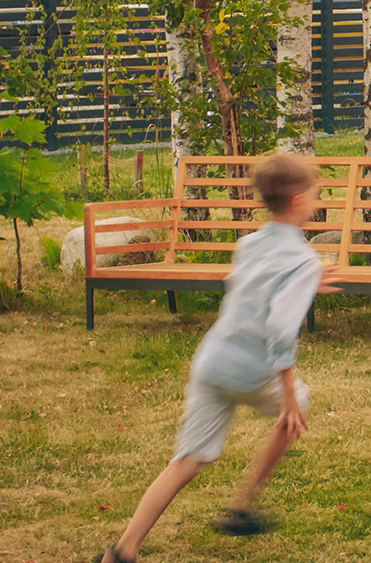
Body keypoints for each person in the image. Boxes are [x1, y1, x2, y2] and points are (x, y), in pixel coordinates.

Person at [101, 154, 345, 563]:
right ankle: (243, 505)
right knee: (296, 408)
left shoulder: (249, 244)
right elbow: (282, 329)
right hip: (253, 371)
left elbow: (251, 285)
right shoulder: (302, 260)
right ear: (300, 200)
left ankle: (122, 551)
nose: (318, 202)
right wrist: (286, 392)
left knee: (186, 460)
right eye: (317, 195)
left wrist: (307, 281)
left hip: (212, 362)